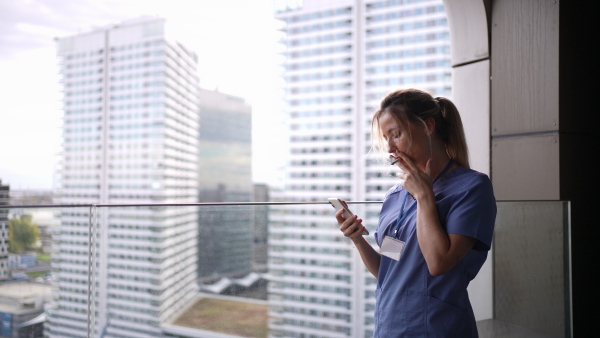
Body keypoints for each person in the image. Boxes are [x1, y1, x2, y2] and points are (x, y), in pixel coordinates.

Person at [335, 88, 496, 337]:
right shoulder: (395, 195)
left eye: (395, 134)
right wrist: (358, 240)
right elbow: (388, 269)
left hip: (438, 327)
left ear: (428, 126)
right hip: (390, 327)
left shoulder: (472, 188)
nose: (389, 147)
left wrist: (424, 197)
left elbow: (439, 263)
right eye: (385, 138)